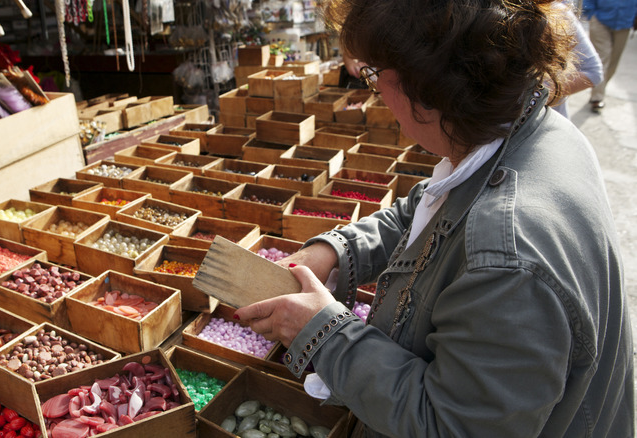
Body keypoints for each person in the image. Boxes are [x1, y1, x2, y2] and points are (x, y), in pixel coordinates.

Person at [233, 0, 634, 436]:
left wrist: (325, 334)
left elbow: (454, 424)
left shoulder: (506, 261)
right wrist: (334, 250)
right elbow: (425, 210)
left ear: (425, 86)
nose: (376, 93)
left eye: (373, 75)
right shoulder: (528, 131)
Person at [582, 0, 637, 112]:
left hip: (625, 22)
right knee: (602, 58)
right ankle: (597, 97)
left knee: (613, 61)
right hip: (600, 19)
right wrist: (591, 13)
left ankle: (599, 88)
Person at [553, 1, 604, 117]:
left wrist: (537, 97)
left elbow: (593, 72)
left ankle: (597, 97)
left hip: (543, 126)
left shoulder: (556, 12)